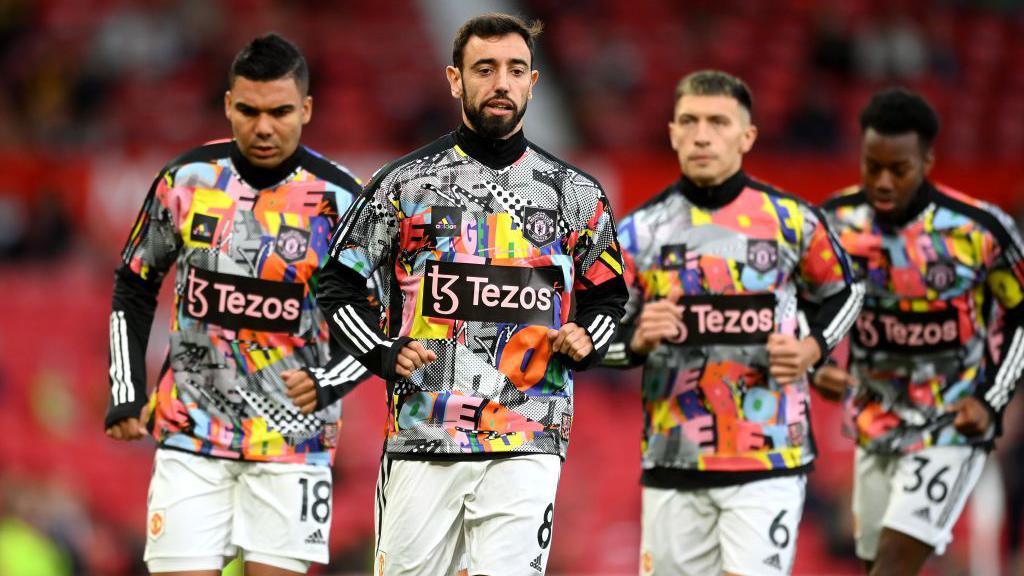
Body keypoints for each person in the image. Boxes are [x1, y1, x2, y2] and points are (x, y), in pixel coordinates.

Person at [312, 13, 627, 576]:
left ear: (535, 82)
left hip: (529, 432)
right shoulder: (403, 185)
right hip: (424, 432)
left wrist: (588, 338)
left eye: (515, 70)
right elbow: (337, 282)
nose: (501, 82)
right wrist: (381, 353)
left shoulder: (576, 194)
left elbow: (608, 297)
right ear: (455, 79)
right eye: (485, 69)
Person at [104, 33, 371, 575]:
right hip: (190, 434)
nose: (264, 126)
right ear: (228, 104)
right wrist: (127, 390)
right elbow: (135, 282)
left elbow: (376, 316)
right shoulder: (187, 181)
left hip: (293, 444)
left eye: (280, 111)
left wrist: (330, 382)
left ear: (307, 109)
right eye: (248, 110)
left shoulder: (342, 201)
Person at [602, 70, 864, 576]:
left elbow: (846, 290)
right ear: (673, 132)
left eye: (718, 122)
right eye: (690, 121)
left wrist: (813, 347)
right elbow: (592, 339)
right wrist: (635, 339)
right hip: (672, 460)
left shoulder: (792, 221)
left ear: (747, 136)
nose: (702, 135)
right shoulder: (636, 233)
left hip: (770, 458)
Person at [814, 88, 1024, 575]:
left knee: (893, 562)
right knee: (875, 563)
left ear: (927, 160)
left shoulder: (979, 232)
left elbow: (1019, 314)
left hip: (953, 423)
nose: (883, 181)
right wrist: (817, 361)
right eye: (872, 166)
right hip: (874, 422)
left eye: (899, 169)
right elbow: (801, 308)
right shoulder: (835, 223)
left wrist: (991, 399)